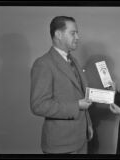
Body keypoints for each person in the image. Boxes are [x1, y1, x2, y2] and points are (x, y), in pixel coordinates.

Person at [30, 16, 93, 154]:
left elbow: (81, 94)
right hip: (61, 145)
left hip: (81, 140)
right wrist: (76, 106)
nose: (78, 37)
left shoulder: (73, 60)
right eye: (73, 33)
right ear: (58, 34)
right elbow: (38, 106)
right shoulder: (43, 64)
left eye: (77, 33)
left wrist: (88, 125)